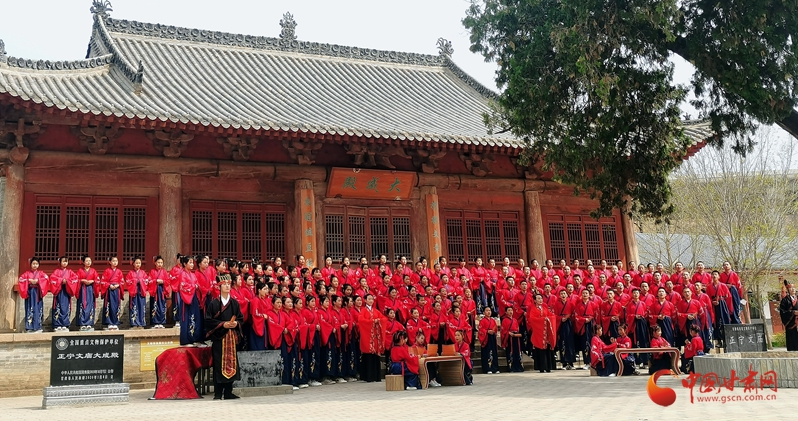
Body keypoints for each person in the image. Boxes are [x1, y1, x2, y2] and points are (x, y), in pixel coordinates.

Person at [205, 274, 244, 400]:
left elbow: (240, 319)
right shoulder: (214, 304)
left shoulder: (234, 303)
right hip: (219, 338)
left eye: (229, 284)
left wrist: (235, 323)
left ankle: (228, 392)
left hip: (231, 338)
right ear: (219, 286)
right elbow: (208, 321)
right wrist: (223, 324)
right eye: (225, 284)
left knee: (231, 363)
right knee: (218, 364)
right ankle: (217, 393)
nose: (227, 286)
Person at [357, 294, 386, 382]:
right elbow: (361, 321)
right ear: (365, 300)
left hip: (375, 337)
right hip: (368, 336)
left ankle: (376, 376)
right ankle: (368, 377)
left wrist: (379, 321)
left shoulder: (375, 310)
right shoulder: (363, 310)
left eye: (372, 299)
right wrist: (373, 321)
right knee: (368, 356)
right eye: (369, 299)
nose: (371, 301)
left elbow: (383, 319)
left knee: (375, 356)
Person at [178, 255, 204, 346]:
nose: (192, 264)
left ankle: (194, 338)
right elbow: (183, 286)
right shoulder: (182, 274)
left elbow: (197, 284)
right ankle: (185, 340)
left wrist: (197, 287)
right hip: (186, 299)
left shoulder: (193, 275)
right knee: (186, 318)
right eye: (190, 262)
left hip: (194, 298)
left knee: (195, 317)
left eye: (193, 262)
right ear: (185, 264)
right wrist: (194, 286)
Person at [18, 257, 48, 333]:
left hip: (37, 293)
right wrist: (28, 281)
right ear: (30, 264)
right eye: (33, 263)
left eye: (36, 264)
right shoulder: (26, 274)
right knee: (29, 308)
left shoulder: (41, 273)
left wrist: (38, 281)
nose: (35, 265)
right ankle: (29, 327)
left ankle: (38, 326)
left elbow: (46, 279)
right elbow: (21, 280)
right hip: (30, 293)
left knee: (38, 309)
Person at [528, 293, 556, 373]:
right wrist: (544, 319)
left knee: (547, 348)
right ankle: (541, 367)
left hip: (545, 332)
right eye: (538, 298)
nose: (540, 300)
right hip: (538, 332)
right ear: (535, 300)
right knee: (540, 349)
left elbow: (551, 315)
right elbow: (532, 319)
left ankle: (548, 367)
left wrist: (551, 317)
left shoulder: (544, 307)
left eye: (541, 298)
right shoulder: (533, 309)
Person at [50, 256, 78, 332]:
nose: (65, 263)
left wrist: (67, 281)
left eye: (66, 261)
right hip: (59, 291)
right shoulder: (56, 271)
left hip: (66, 291)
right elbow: (52, 278)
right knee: (58, 307)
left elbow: (75, 278)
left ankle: (65, 324)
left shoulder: (70, 272)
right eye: (63, 261)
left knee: (66, 308)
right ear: (60, 262)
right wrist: (61, 280)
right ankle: (57, 324)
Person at [76, 256, 98, 331]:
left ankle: (89, 323)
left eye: (90, 260)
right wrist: (82, 280)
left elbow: (97, 280)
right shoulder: (80, 270)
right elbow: (76, 279)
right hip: (82, 289)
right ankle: (82, 323)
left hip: (90, 289)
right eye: (87, 261)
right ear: (83, 262)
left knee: (90, 305)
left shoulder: (93, 271)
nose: (88, 262)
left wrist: (92, 281)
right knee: (82, 305)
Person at [125, 256, 148, 329]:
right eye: (136, 263)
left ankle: (141, 323)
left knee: (141, 306)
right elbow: (128, 281)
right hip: (134, 292)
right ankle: (134, 323)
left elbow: (146, 281)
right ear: (133, 264)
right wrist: (135, 281)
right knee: (134, 306)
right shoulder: (130, 273)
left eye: (139, 263)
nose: (138, 264)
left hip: (141, 292)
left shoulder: (143, 273)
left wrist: (140, 281)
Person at [101, 256, 124, 331]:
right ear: (110, 262)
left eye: (116, 261)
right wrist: (109, 285)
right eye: (113, 261)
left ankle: (115, 322)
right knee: (109, 306)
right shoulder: (107, 271)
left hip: (116, 290)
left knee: (116, 306)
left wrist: (118, 285)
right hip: (109, 290)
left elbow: (122, 282)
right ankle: (109, 323)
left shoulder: (119, 271)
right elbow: (103, 281)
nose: (115, 262)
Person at [148, 256, 169, 329]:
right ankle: (155, 322)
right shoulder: (152, 271)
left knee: (162, 306)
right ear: (155, 263)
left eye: (161, 263)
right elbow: (149, 281)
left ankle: (161, 322)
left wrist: (163, 281)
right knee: (155, 305)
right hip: (155, 290)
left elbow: (168, 281)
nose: (160, 264)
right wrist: (155, 281)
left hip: (162, 290)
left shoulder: (164, 272)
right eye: (158, 262)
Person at [501, 307, 524, 372]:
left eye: (511, 310)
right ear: (506, 312)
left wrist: (516, 334)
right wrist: (508, 333)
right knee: (511, 352)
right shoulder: (504, 320)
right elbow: (503, 330)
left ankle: (519, 367)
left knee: (517, 352)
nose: (510, 311)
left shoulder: (515, 320)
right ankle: (511, 367)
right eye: (509, 310)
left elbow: (517, 329)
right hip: (509, 338)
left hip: (516, 337)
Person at [478, 307, 499, 374]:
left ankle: (495, 368)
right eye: (486, 310)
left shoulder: (493, 320)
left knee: (494, 352)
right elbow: (480, 330)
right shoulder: (482, 321)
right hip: (486, 338)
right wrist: (487, 331)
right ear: (484, 313)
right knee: (487, 353)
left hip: (492, 337)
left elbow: (495, 328)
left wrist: (493, 331)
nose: (488, 312)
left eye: (489, 310)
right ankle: (487, 368)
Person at [779, 284, 798, 351]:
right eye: (791, 288)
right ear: (788, 290)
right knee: (793, 341)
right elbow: (782, 312)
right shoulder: (785, 300)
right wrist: (792, 312)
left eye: (794, 287)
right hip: (791, 324)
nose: (793, 289)